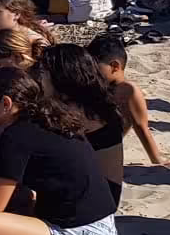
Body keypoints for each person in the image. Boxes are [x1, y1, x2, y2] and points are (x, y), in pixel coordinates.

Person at [0, 66, 118, 235]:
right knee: (15, 195)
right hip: (101, 226)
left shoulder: (16, 136)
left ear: (6, 103)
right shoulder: (47, 118)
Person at [40, 43, 139, 208]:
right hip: (107, 196)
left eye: (43, 73)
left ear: (59, 77)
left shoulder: (70, 114)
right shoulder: (98, 106)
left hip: (89, 203)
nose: (39, 78)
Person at [87, 34, 167, 171]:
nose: (91, 72)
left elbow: (141, 127)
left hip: (102, 148)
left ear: (114, 66)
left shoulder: (128, 91)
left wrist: (158, 162)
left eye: (95, 68)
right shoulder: (94, 85)